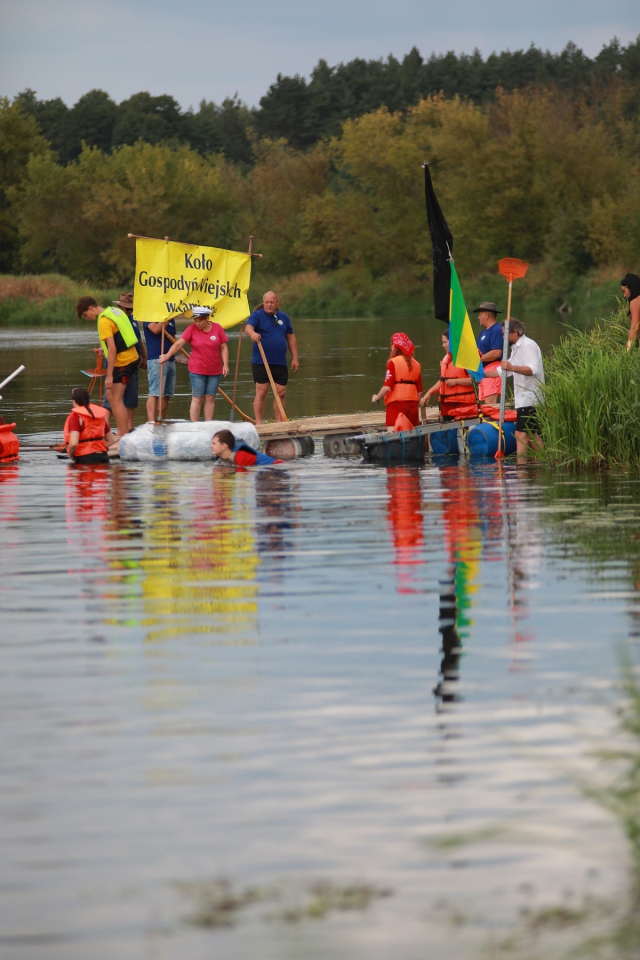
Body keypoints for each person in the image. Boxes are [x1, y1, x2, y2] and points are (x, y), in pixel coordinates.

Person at [76, 295, 141, 442]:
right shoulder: (113, 311)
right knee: (112, 397)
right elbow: (119, 338)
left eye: (86, 315)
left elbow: (112, 349)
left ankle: (122, 436)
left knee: (115, 399)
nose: (88, 318)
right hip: (132, 358)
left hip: (122, 362)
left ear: (91, 308)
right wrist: (102, 348)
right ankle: (121, 434)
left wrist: (110, 375)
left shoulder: (103, 321)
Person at [159, 306, 229, 421]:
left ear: (207, 318)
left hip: (215, 370)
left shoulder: (217, 328)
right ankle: (194, 425)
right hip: (197, 370)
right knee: (197, 398)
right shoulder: (191, 329)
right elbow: (178, 344)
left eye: (200, 321)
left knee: (210, 397)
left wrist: (225, 364)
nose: (197, 324)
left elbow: (223, 346)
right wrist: (167, 356)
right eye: (195, 321)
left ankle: (208, 424)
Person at [245, 291, 299, 424]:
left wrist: (295, 358)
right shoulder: (257, 315)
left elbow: (291, 337)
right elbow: (248, 327)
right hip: (261, 361)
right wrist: (252, 334)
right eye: (266, 302)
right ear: (263, 302)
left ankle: (278, 421)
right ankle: (259, 423)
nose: (269, 304)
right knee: (261, 392)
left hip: (279, 361)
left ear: (277, 303)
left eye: (272, 302)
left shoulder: (284, 318)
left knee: (281, 392)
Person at [499, 318, 545, 459]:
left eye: (504, 334)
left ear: (515, 332)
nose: (503, 337)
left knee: (521, 433)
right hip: (523, 399)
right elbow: (505, 371)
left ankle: (522, 468)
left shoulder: (528, 345)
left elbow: (533, 369)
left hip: (531, 398)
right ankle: (541, 463)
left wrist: (511, 367)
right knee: (532, 434)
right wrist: (482, 375)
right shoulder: (516, 348)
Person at [101, 292, 147, 431]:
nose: (130, 311)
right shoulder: (111, 320)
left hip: (132, 362)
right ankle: (105, 430)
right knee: (111, 397)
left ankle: (129, 428)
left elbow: (137, 340)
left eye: (131, 309)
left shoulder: (131, 320)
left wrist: (144, 357)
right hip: (116, 363)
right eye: (127, 309)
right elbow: (110, 343)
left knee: (131, 397)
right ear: (120, 307)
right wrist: (101, 350)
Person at [420, 332, 478, 420]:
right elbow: (443, 381)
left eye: (445, 342)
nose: (443, 345)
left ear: (452, 342)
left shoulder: (466, 357)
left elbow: (476, 380)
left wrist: (456, 381)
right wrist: (429, 392)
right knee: (449, 432)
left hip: (463, 405)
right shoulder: (446, 359)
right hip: (447, 405)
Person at [371, 332, 423, 427]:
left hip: (396, 405)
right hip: (412, 407)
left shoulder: (393, 362)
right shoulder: (417, 364)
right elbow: (419, 392)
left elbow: (387, 387)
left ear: (394, 346)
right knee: (412, 433)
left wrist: (377, 397)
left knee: (393, 433)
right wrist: (413, 404)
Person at [63, 386, 117, 463]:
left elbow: (74, 443)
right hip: (103, 456)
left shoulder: (75, 417)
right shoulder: (98, 415)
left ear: (74, 402)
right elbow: (111, 440)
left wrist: (71, 454)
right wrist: (97, 448)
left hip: (85, 459)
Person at [144, 314, 177, 421]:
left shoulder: (171, 320)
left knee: (167, 394)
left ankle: (161, 420)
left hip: (170, 359)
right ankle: (151, 422)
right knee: (155, 393)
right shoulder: (148, 316)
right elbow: (156, 329)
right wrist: (169, 317)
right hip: (156, 360)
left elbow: (174, 339)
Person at [473, 301, 504, 405]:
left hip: (493, 369)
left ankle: (494, 421)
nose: (478, 318)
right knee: (486, 404)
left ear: (486, 315)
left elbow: (496, 353)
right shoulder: (483, 332)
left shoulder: (497, 330)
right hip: (484, 371)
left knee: (491, 404)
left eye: (479, 315)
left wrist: (478, 360)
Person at [211, 429, 284, 466]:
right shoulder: (225, 458)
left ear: (224, 446)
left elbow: (242, 480)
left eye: (214, 444)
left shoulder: (240, 456)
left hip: (276, 467)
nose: (211, 446)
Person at [621, 273, 640, 351]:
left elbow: (635, 327)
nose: (624, 295)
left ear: (630, 288)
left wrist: (627, 350)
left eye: (624, 291)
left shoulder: (636, 301)